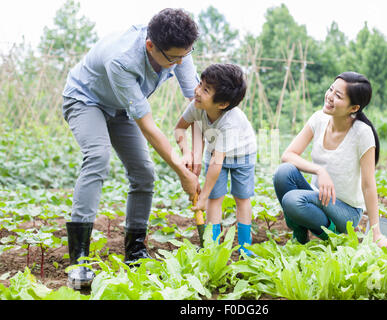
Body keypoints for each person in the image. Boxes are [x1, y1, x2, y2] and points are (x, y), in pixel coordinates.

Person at [61, 8, 201, 289]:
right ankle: (79, 261)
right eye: (173, 58)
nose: (179, 64)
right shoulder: (122, 59)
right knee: (98, 158)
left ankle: (134, 252)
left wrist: (192, 153)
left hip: (120, 107)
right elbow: (148, 126)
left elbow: (197, 103)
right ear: (151, 46)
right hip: (85, 100)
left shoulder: (179, 51)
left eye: (184, 56)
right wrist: (182, 173)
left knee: (144, 173)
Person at [273, 71, 387, 248]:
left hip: (345, 211)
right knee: (283, 172)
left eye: (338, 96)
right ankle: (300, 237)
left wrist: (376, 232)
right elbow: (288, 155)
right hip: (318, 195)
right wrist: (320, 170)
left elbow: (368, 184)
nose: (330, 97)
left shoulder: (362, 133)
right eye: (331, 90)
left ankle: (333, 235)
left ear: (354, 108)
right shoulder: (319, 119)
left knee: (292, 200)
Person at [174, 63, 257, 256]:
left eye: (205, 89)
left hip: (242, 155)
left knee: (241, 198)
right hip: (215, 152)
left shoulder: (231, 122)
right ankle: (212, 246)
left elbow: (216, 163)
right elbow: (179, 128)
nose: (197, 91)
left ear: (222, 104)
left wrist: (201, 197)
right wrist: (187, 151)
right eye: (200, 84)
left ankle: (246, 247)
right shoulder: (197, 106)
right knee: (214, 198)